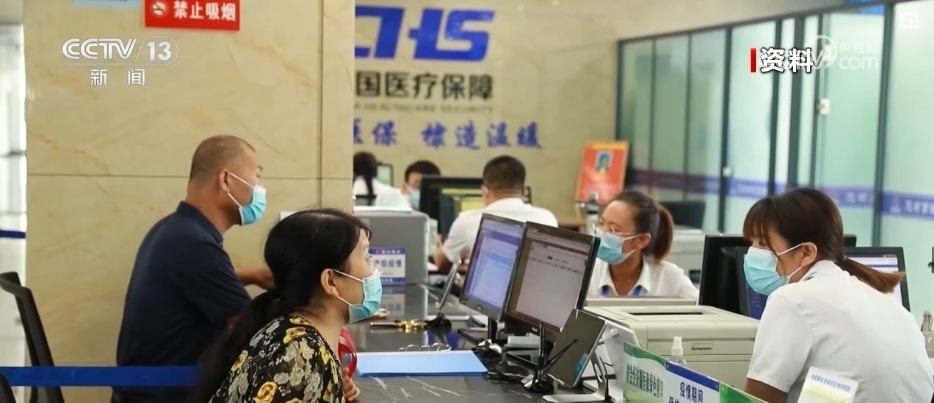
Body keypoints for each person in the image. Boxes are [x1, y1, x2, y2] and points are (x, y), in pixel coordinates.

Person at [114, 135, 274, 403]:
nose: (260, 188)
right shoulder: (195, 245)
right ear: (226, 180)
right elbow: (256, 331)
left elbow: (190, 281)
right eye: (256, 176)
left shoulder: (173, 230)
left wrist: (253, 275)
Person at [741, 188, 933, 403]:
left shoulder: (790, 300)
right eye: (752, 243)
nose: (752, 252)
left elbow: (755, 400)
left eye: (763, 243)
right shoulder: (884, 301)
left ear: (806, 253)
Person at [190, 209, 377, 403]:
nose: (374, 270)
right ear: (330, 281)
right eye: (367, 257)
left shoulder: (292, 333)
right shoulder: (300, 355)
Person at [434, 155, 557, 274]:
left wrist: (439, 245)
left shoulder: (467, 221)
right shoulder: (547, 218)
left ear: (485, 191)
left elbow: (443, 265)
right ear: (524, 192)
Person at [587, 190, 697, 299]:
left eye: (613, 229)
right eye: (601, 223)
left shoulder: (670, 278)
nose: (602, 233)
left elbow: (703, 306)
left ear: (641, 240)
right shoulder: (586, 271)